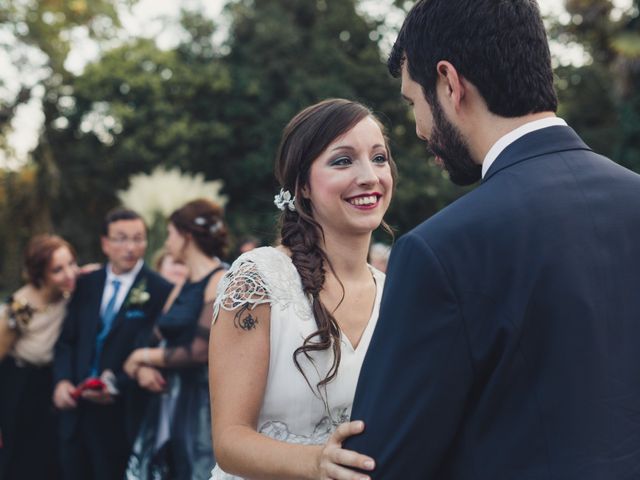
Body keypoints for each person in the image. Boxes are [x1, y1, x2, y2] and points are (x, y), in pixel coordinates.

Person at [345, 1, 640, 478]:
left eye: (413, 102)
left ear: (449, 83)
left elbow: (380, 463)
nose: (419, 129)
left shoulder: (440, 250)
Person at [208, 98, 396, 480]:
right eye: (343, 160)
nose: (370, 176)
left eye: (379, 157)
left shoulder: (393, 292)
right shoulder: (259, 278)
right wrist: (316, 462)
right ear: (302, 186)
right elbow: (229, 441)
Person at [53, 208, 173, 480]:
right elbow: (66, 341)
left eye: (138, 238)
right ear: (105, 243)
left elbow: (157, 350)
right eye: (121, 239)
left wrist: (116, 383)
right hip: (75, 412)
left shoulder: (160, 290)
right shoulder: (85, 283)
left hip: (121, 414)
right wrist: (61, 381)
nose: (130, 247)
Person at [124, 199, 228, 480]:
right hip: (168, 395)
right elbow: (155, 334)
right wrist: (146, 365)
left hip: (201, 401)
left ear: (187, 236)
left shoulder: (219, 279)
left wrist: (140, 358)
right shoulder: (183, 283)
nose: (168, 242)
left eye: (171, 234)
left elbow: (199, 350)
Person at [0, 234, 78, 480]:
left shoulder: (69, 291)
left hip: (53, 382)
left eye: (71, 264)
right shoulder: (20, 308)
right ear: (40, 274)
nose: (69, 273)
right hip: (20, 388)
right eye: (58, 270)